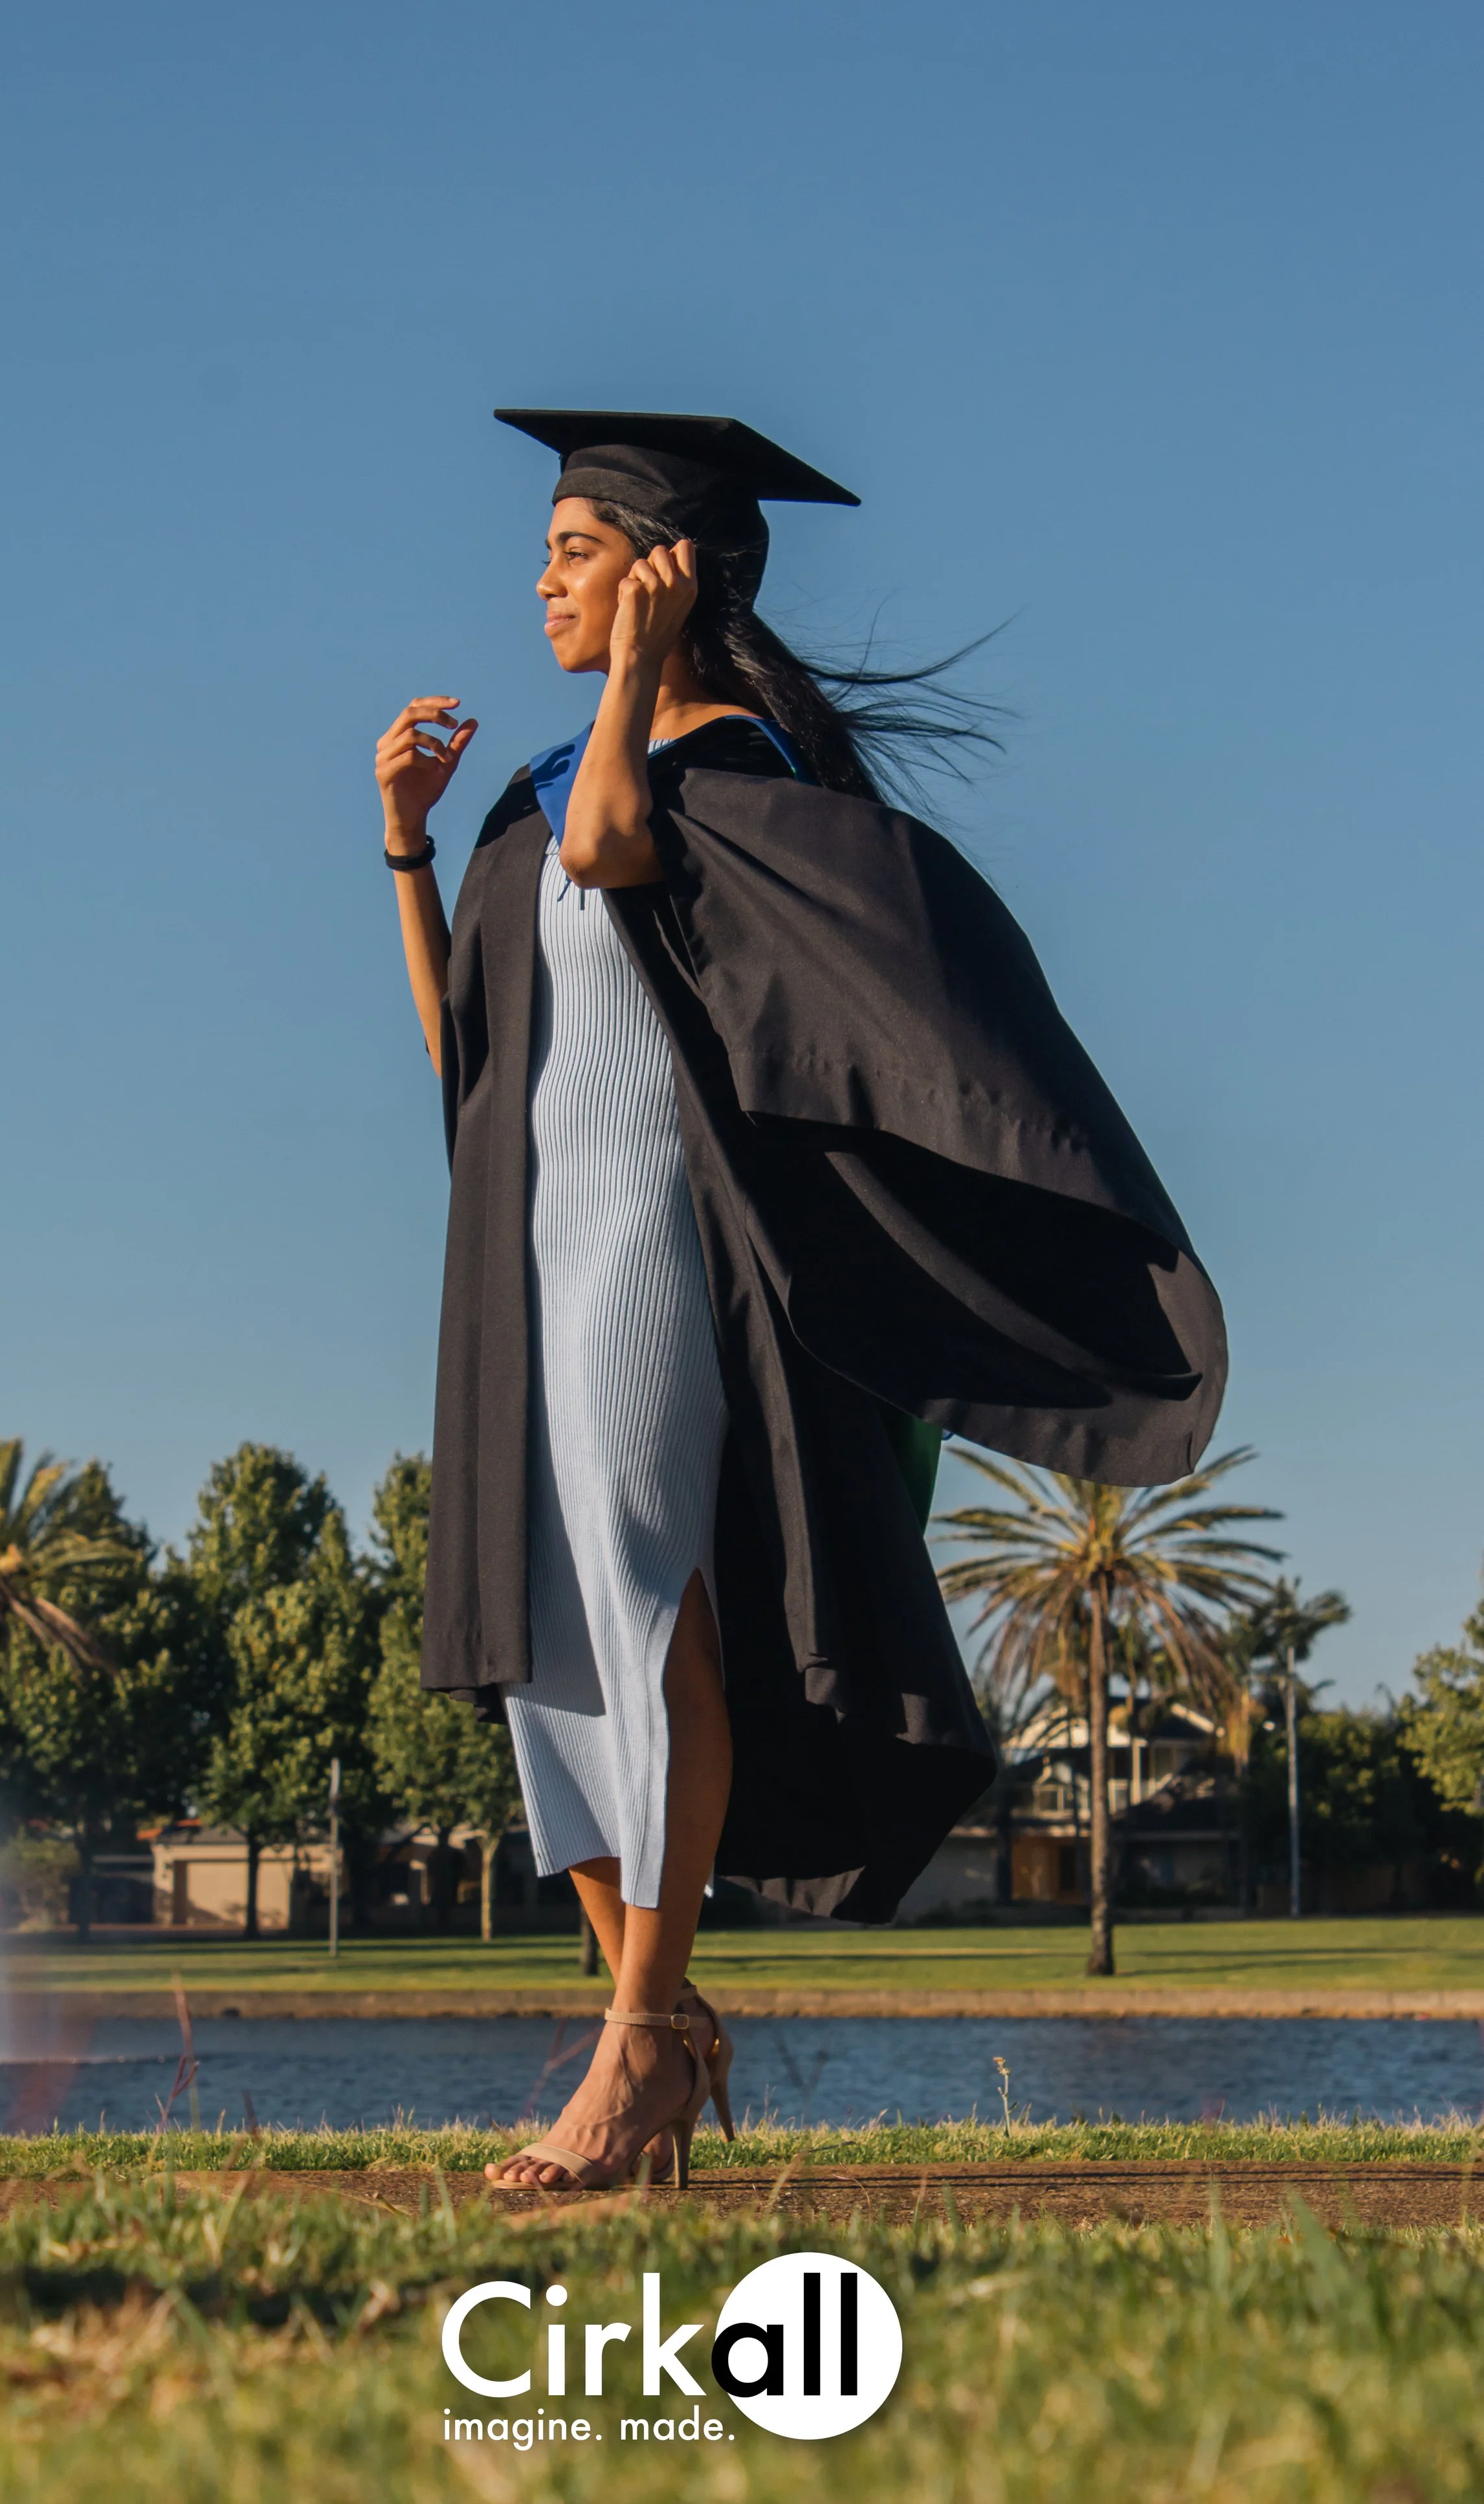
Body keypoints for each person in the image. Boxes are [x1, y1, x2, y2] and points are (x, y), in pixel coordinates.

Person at [375, 410, 1227, 2190]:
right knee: (542, 1651)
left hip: (658, 1242)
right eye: (543, 551)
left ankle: (626, 2056)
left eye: (578, 549)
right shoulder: (542, 794)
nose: (539, 575)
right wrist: (404, 849)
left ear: (670, 571)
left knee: (636, 1572)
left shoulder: (722, 778)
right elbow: (467, 1056)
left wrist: (647, 669)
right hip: (525, 1249)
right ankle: (660, 2027)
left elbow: (622, 840)